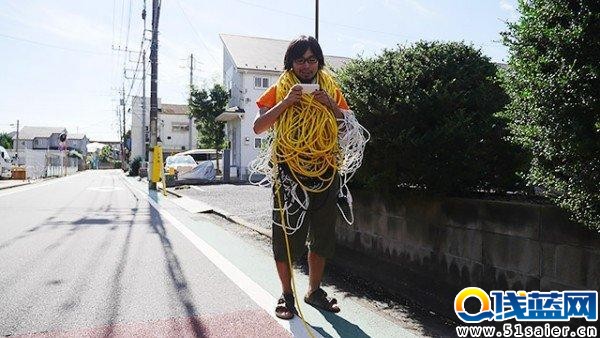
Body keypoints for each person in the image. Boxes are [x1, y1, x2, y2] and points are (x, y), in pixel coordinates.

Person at [253, 35, 350, 320]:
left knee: (322, 237)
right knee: (285, 236)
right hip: (289, 174)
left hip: (326, 171)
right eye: (300, 60)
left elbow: (347, 129)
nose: (306, 66)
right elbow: (259, 127)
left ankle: (313, 291)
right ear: (290, 63)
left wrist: (330, 104)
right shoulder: (278, 90)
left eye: (311, 60)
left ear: (318, 61)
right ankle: (286, 295)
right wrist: (285, 102)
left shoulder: (331, 89)